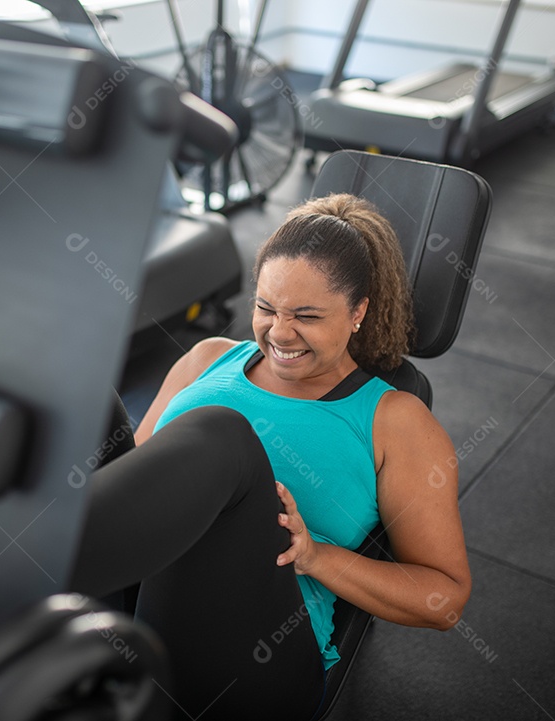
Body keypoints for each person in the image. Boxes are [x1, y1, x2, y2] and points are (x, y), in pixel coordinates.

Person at [70, 194, 471, 720]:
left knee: (223, 435)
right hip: (131, 597)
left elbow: (444, 598)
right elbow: (139, 481)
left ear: (358, 312)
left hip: (257, 652)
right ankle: (19, 563)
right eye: (265, 308)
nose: (279, 333)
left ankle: (26, 566)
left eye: (306, 315)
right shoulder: (207, 358)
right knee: (86, 396)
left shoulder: (397, 421)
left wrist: (314, 556)